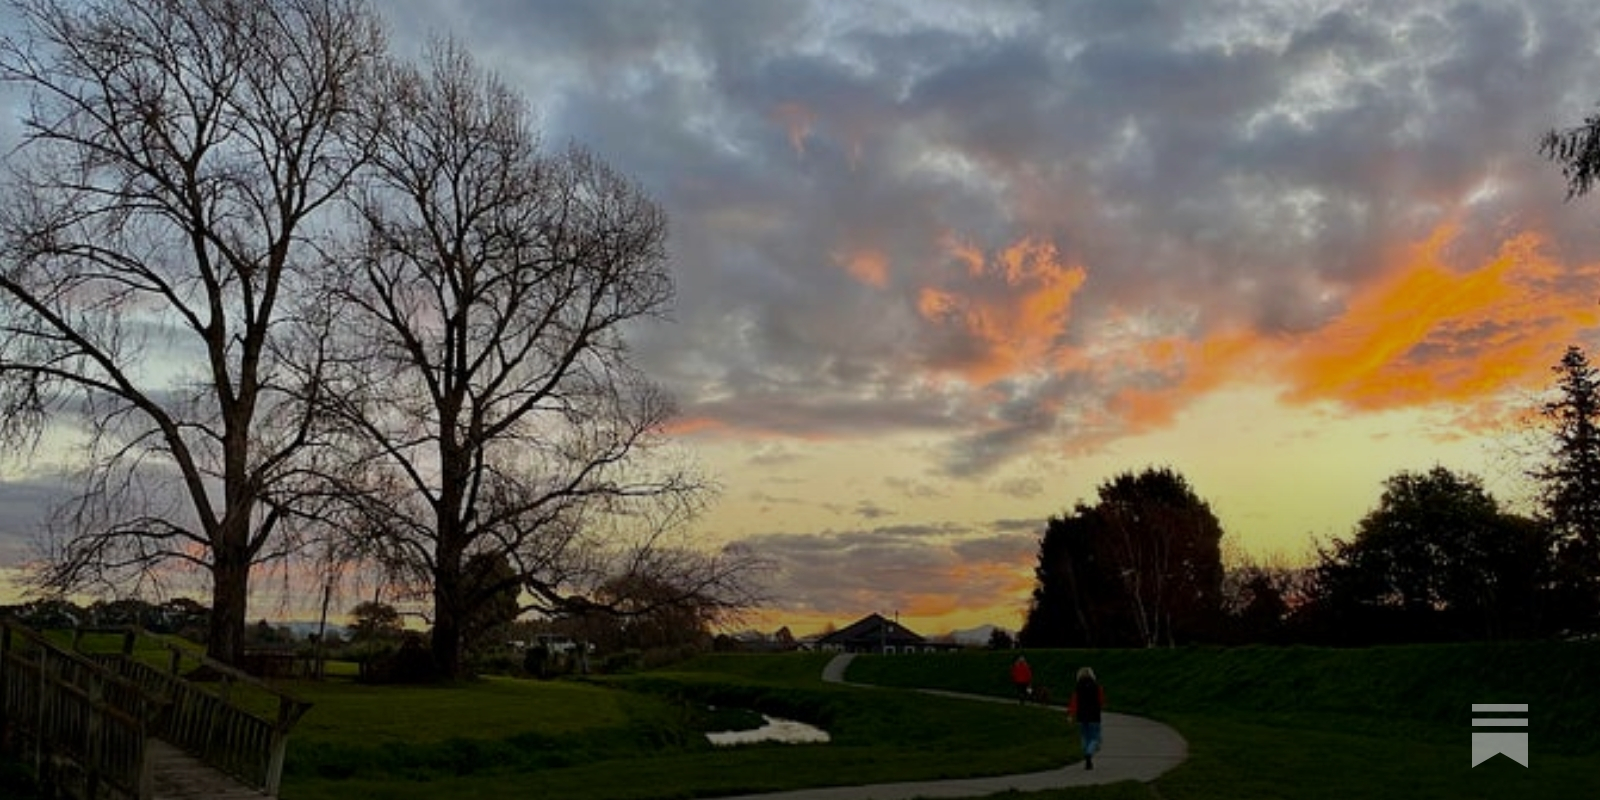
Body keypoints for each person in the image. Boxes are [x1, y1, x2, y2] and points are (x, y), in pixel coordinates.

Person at [1067, 666, 1105, 770]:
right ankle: (1089, 753)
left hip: (1081, 716)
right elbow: (1101, 702)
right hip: (1094, 716)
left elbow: (1074, 702)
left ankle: (1086, 752)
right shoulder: (1097, 687)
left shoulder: (1078, 687)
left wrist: (1071, 715)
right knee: (1094, 738)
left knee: (1084, 736)